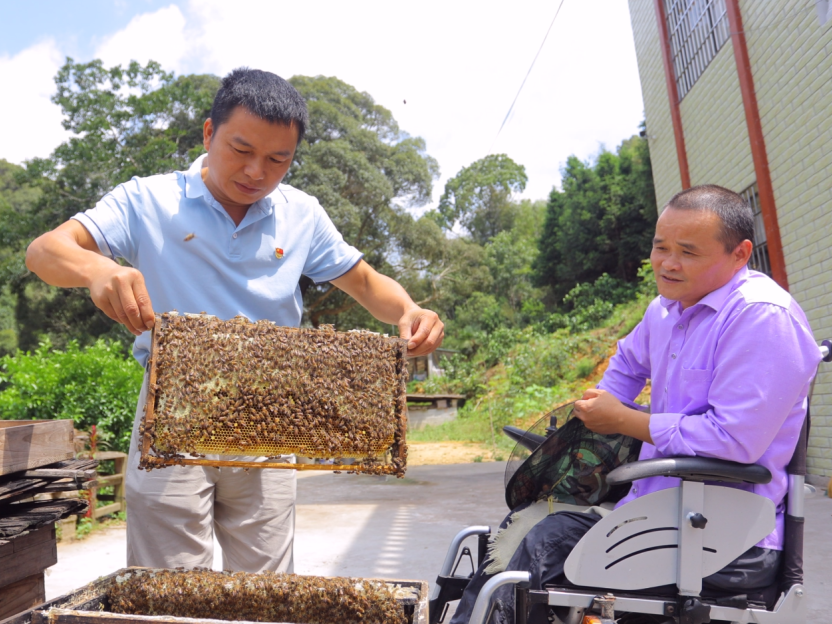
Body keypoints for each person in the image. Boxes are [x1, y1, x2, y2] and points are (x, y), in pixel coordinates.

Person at [25, 68, 444, 572]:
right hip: (172, 411)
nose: (256, 172)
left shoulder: (303, 215)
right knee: (171, 588)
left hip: (272, 417)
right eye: (240, 151)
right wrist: (97, 269)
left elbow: (366, 282)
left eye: (277, 159)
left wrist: (409, 310)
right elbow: (44, 251)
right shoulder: (147, 200)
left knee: (265, 588)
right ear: (208, 133)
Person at [450, 185, 820, 624]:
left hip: (728, 535)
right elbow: (626, 363)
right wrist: (599, 410)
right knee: (524, 539)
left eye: (687, 252)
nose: (667, 263)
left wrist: (626, 420)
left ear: (739, 254)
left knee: (545, 545)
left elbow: (733, 441)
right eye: (660, 247)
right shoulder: (664, 310)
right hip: (654, 515)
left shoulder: (762, 318)